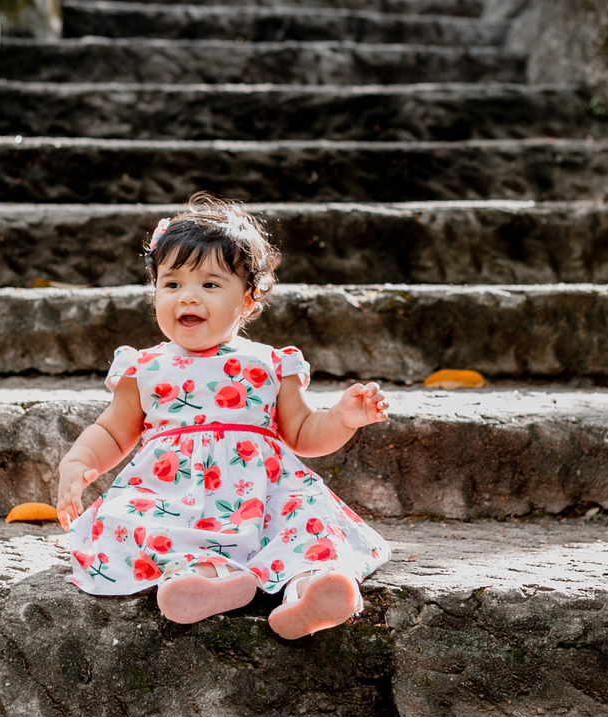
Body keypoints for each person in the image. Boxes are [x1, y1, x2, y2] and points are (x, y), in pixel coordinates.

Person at [57, 194, 391, 639]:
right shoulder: (144, 367)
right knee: (128, 519)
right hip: (172, 494)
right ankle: (207, 580)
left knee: (305, 523)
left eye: (210, 285)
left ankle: (315, 590)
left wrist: (344, 418)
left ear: (249, 300)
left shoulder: (272, 364)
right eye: (172, 284)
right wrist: (80, 463)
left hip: (263, 495)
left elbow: (305, 433)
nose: (187, 297)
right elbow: (112, 432)